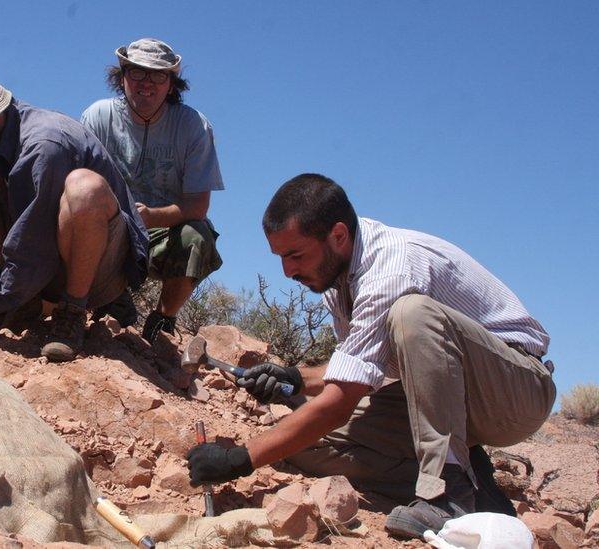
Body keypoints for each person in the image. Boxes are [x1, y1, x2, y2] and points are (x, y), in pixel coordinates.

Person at [185, 174, 555, 540]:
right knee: (307, 444)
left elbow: (341, 400)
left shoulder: (391, 268)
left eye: (296, 255)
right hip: (449, 399)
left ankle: (447, 492)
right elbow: (355, 367)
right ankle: (473, 486)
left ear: (339, 235)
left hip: (515, 392)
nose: (288, 270)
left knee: (412, 314)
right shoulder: (336, 277)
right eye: (281, 257)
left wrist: (240, 459)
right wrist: (294, 378)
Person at [0, 66, 148, 362]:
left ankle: (72, 311)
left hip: (100, 269)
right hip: (46, 253)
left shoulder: (43, 145)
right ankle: (21, 300)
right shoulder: (5, 130)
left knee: (84, 189)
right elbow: (27, 214)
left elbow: (33, 256)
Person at [81, 38, 224, 342]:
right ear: (122, 78)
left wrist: (150, 216)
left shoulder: (194, 126)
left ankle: (163, 319)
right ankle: (102, 298)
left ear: (172, 85)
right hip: (109, 226)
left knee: (197, 237)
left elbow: (198, 205)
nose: (146, 83)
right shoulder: (98, 117)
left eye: (158, 75)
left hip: (163, 229)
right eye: (137, 73)